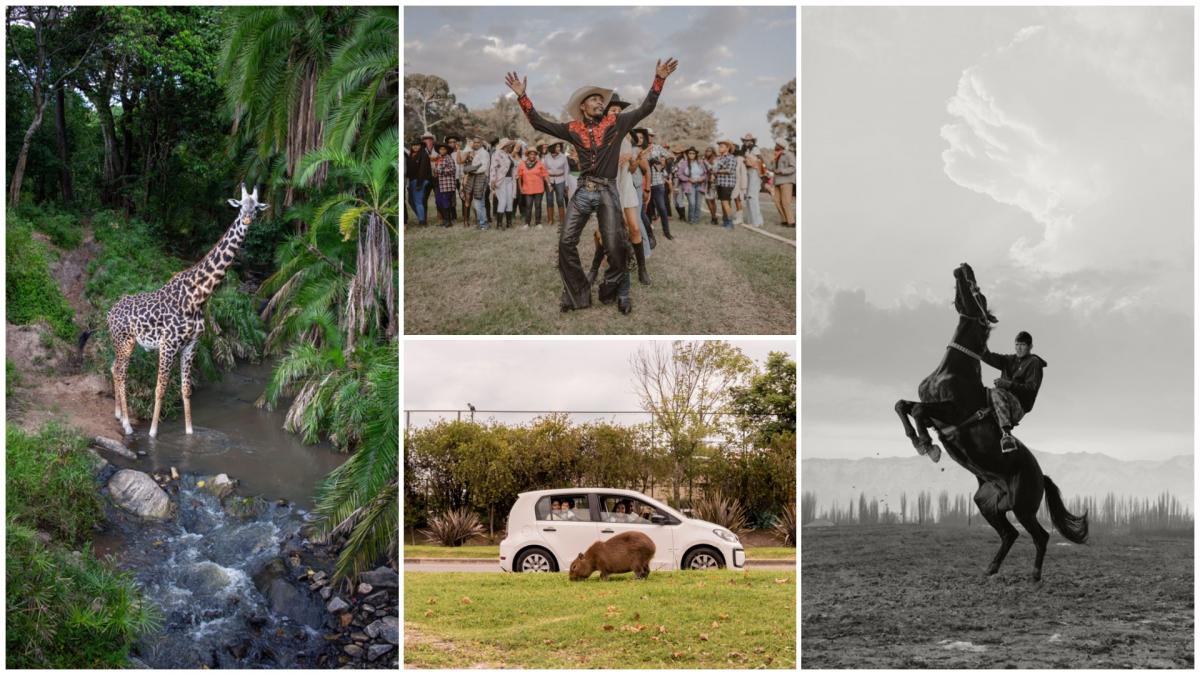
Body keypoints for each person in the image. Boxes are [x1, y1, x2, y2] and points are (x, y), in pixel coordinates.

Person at [505, 56, 679, 315]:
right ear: (583, 106)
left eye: (602, 99)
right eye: (595, 99)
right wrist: (523, 97)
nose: (601, 102)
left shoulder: (617, 123)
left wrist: (659, 79)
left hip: (609, 189)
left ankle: (614, 290)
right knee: (565, 242)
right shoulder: (572, 128)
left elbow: (646, 108)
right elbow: (539, 123)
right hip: (584, 190)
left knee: (616, 245)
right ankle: (577, 293)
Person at [587, 95, 651, 286]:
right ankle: (593, 269)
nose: (617, 112)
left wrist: (633, 159)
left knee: (635, 227)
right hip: (607, 188)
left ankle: (642, 269)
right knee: (601, 233)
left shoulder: (626, 137)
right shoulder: (599, 136)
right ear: (606, 113)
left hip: (626, 186)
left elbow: (632, 170)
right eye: (613, 109)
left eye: (619, 110)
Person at [982, 331, 1047, 453]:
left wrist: (1008, 384)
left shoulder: (1034, 362)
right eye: (1017, 344)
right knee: (985, 393)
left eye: (1022, 345)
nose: (1019, 348)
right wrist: (980, 339)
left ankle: (1007, 436)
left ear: (1030, 346)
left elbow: (1031, 389)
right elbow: (988, 357)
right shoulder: (1009, 360)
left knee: (996, 392)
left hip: (1018, 407)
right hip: (1002, 402)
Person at [489, 138, 519, 229]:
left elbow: (514, 165)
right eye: (510, 145)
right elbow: (493, 168)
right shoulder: (497, 154)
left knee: (510, 201)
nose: (511, 147)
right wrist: (493, 180)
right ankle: (499, 224)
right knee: (503, 201)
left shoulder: (508, 155)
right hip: (500, 181)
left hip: (510, 180)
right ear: (505, 146)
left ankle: (509, 223)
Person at [517, 147, 549, 228]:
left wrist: (549, 184)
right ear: (528, 155)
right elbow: (519, 177)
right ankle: (527, 223)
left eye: (534, 154)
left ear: (536, 155)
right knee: (528, 206)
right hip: (527, 189)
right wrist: (520, 188)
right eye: (531, 154)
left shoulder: (539, 163)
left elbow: (545, 175)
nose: (532, 155)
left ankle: (538, 222)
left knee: (538, 206)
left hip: (539, 188)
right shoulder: (522, 164)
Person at [463, 136, 490, 229]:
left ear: (481, 143)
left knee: (478, 202)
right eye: (474, 142)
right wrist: (472, 168)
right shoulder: (474, 153)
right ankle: (482, 223)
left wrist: (472, 170)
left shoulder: (484, 153)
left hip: (481, 178)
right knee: (479, 203)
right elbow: (465, 167)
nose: (476, 144)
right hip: (473, 178)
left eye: (478, 142)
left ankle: (483, 224)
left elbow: (483, 168)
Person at [674, 146, 707, 224]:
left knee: (698, 204)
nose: (692, 154)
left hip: (700, 185)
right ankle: (691, 219)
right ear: (687, 154)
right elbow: (680, 174)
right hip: (689, 185)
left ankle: (696, 219)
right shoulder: (684, 163)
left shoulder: (700, 163)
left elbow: (705, 174)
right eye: (690, 153)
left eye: (693, 153)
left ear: (696, 154)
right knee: (692, 203)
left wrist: (702, 178)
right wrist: (688, 179)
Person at [405, 140, 433, 226]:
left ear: (421, 146)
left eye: (417, 145)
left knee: (418, 201)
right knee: (410, 201)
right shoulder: (411, 155)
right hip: (413, 180)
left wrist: (419, 183)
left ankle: (422, 221)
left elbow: (422, 170)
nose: (415, 147)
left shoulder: (423, 155)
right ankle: (422, 217)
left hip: (420, 180)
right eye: (413, 145)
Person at [713, 140, 738, 229]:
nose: (720, 148)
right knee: (724, 203)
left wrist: (717, 171)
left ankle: (730, 223)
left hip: (727, 184)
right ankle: (726, 221)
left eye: (722, 146)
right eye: (719, 146)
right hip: (720, 183)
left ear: (728, 148)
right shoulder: (719, 158)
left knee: (725, 203)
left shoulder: (731, 158)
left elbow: (729, 171)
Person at [543, 142, 569, 226]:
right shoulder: (546, 157)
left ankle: (562, 219)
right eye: (557, 147)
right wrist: (548, 183)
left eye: (559, 147)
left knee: (560, 199)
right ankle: (550, 219)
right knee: (549, 199)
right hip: (549, 180)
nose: (559, 148)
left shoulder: (563, 157)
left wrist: (566, 183)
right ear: (552, 147)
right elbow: (544, 170)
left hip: (560, 180)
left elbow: (566, 170)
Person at [741, 133, 765, 227]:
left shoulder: (755, 149)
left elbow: (760, 161)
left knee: (752, 196)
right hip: (748, 172)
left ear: (752, 141)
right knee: (748, 197)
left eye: (749, 140)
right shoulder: (745, 150)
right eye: (746, 140)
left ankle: (757, 221)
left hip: (755, 172)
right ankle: (751, 220)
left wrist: (763, 173)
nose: (747, 142)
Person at [432, 142, 457, 227]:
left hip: (447, 184)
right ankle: (444, 220)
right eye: (440, 149)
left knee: (445, 202)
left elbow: (453, 169)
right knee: (439, 202)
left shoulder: (448, 158)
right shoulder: (439, 158)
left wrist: (440, 171)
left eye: (444, 149)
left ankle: (448, 221)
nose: (442, 150)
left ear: (447, 150)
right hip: (439, 183)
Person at [771, 138, 795, 227]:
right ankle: (784, 220)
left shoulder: (789, 154)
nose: (775, 145)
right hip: (777, 181)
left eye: (777, 144)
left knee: (786, 202)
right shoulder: (776, 155)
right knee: (777, 201)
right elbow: (771, 168)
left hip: (787, 181)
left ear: (781, 145)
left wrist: (781, 171)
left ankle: (791, 222)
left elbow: (793, 168)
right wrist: (773, 159)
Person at [702, 146, 719, 224]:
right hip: (706, 181)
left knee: (709, 200)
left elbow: (713, 169)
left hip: (712, 181)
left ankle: (714, 218)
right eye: (707, 151)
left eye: (710, 151)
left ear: (713, 152)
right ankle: (713, 217)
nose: (708, 152)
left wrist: (705, 162)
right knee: (711, 200)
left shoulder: (715, 159)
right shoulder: (706, 159)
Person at [732, 147, 748, 226]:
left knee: (738, 199)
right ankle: (738, 215)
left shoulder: (740, 159)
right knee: (735, 199)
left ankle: (740, 218)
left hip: (739, 183)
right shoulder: (733, 159)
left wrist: (743, 186)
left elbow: (743, 173)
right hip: (734, 182)